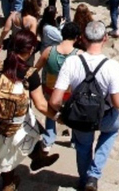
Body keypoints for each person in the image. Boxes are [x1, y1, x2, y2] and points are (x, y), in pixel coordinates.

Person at [49, 21, 119, 191]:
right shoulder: (111, 66)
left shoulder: (71, 62)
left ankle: (83, 181)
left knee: (83, 146)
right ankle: (93, 175)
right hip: (105, 116)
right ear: (105, 38)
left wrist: (64, 114)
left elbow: (54, 101)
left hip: (80, 115)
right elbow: (118, 102)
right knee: (112, 130)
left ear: (83, 38)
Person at [0, 29, 59, 191]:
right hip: (13, 126)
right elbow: (40, 105)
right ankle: (9, 183)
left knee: (32, 130)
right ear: (31, 50)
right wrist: (59, 116)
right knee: (23, 139)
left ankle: (37, 159)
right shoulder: (30, 74)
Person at [35, 22, 81, 151]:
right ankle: (75, 141)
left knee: (51, 113)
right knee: (74, 115)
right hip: (70, 93)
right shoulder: (79, 55)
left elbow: (35, 69)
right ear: (76, 37)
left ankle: (49, 138)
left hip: (50, 90)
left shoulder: (49, 51)